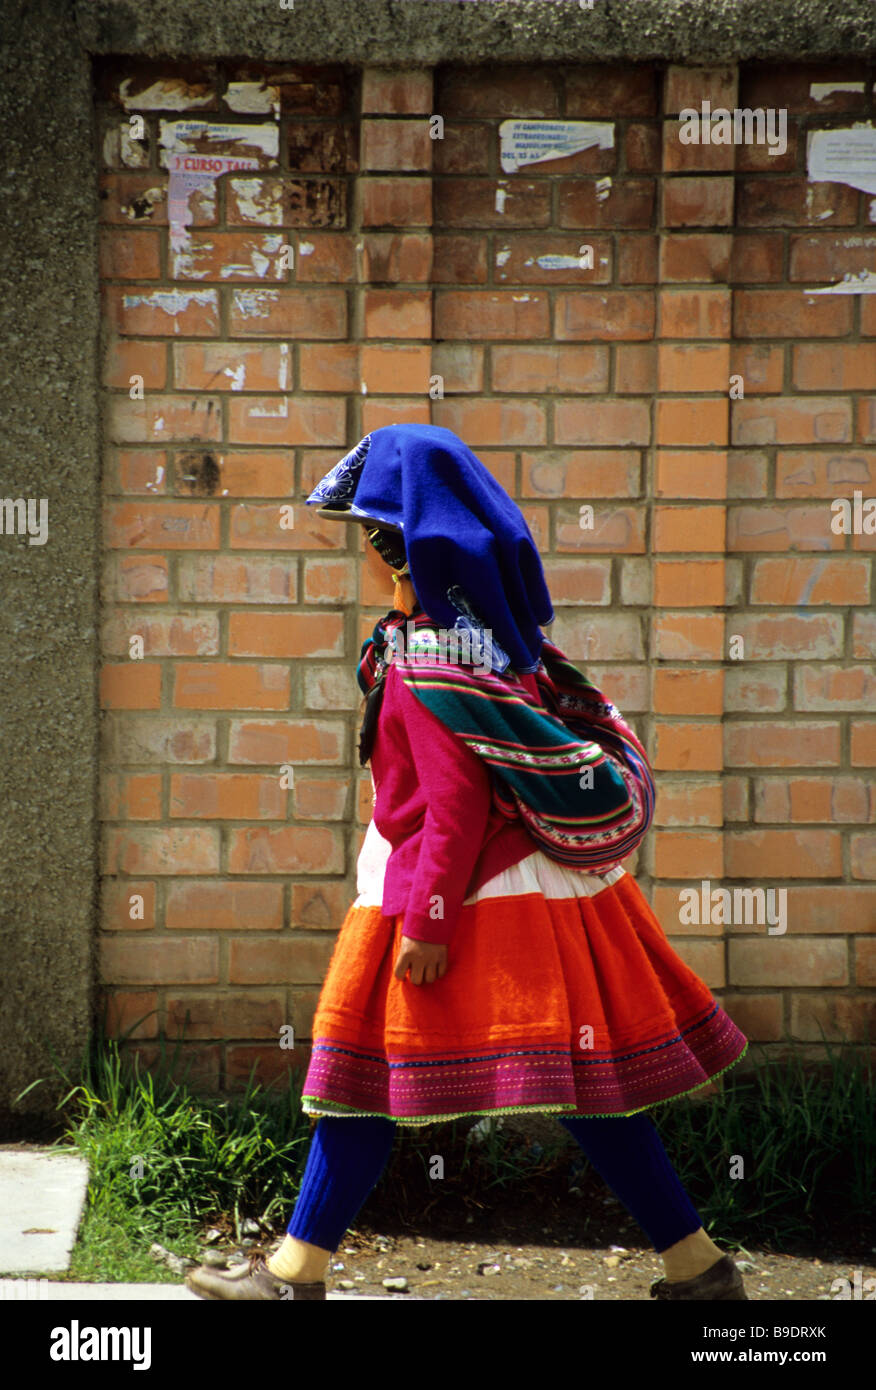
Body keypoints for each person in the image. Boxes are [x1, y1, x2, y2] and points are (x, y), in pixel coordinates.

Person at [187, 423, 749, 1302]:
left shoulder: (425, 661)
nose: (363, 557)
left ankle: (295, 1274)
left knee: (363, 1075)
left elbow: (453, 808)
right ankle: (697, 1269)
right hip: (518, 889)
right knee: (577, 1086)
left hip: (453, 896)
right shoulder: (489, 644)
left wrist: (430, 920)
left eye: (364, 538)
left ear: (389, 546)